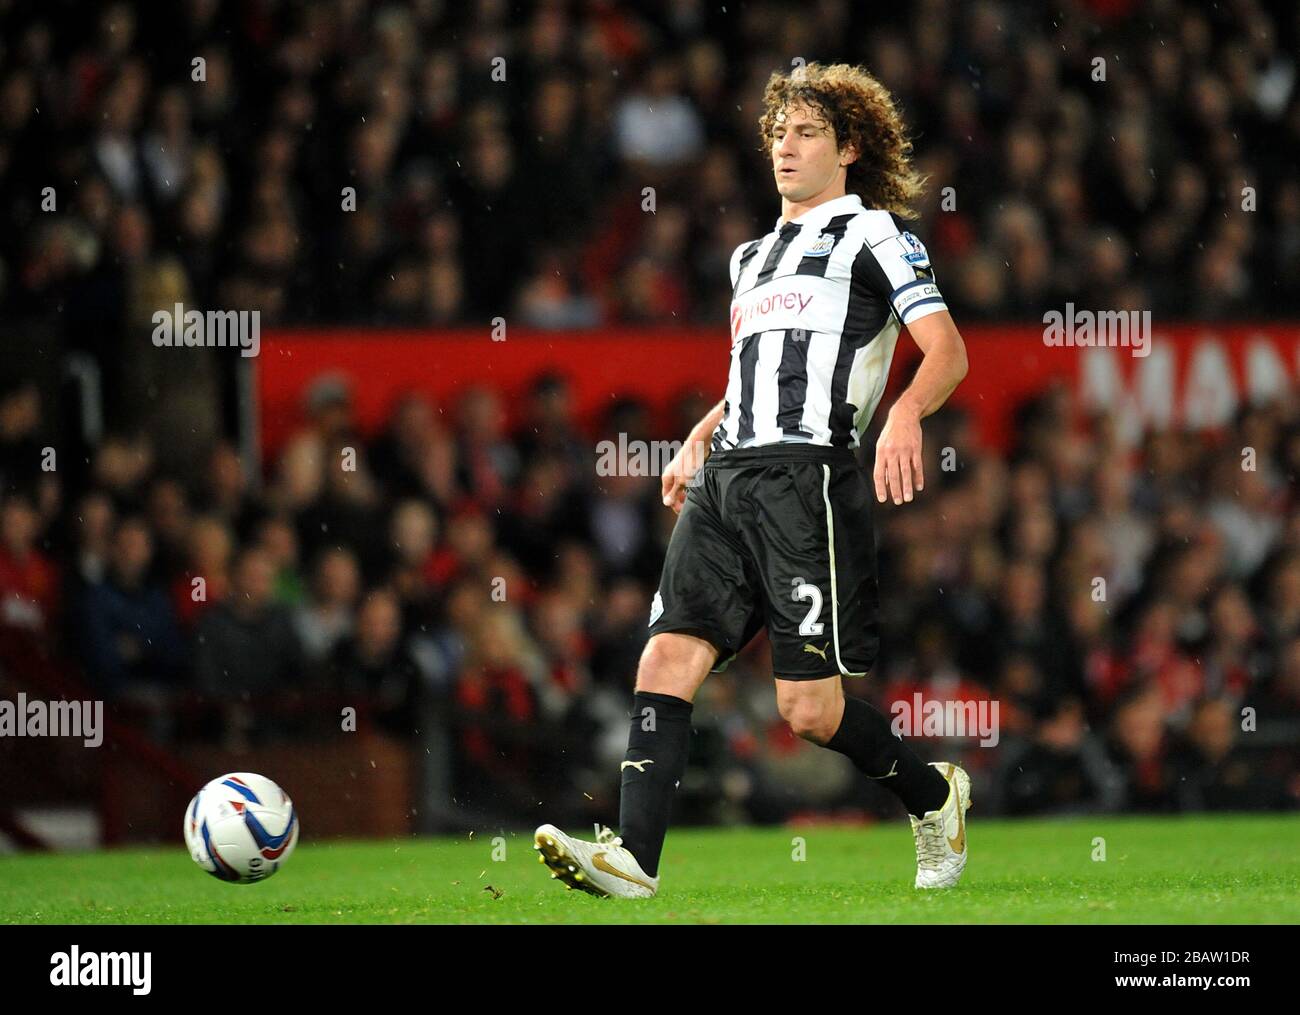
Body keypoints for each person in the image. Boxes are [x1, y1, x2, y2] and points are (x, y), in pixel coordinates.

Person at [534, 63, 971, 897]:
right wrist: (700, 434)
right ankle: (634, 861)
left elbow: (947, 351)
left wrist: (908, 412)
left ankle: (933, 794)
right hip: (727, 477)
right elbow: (750, 374)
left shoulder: (875, 234)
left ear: (848, 148)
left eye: (808, 132)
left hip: (808, 482)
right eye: (779, 130)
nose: (786, 144)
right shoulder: (750, 257)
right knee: (664, 657)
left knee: (807, 712)